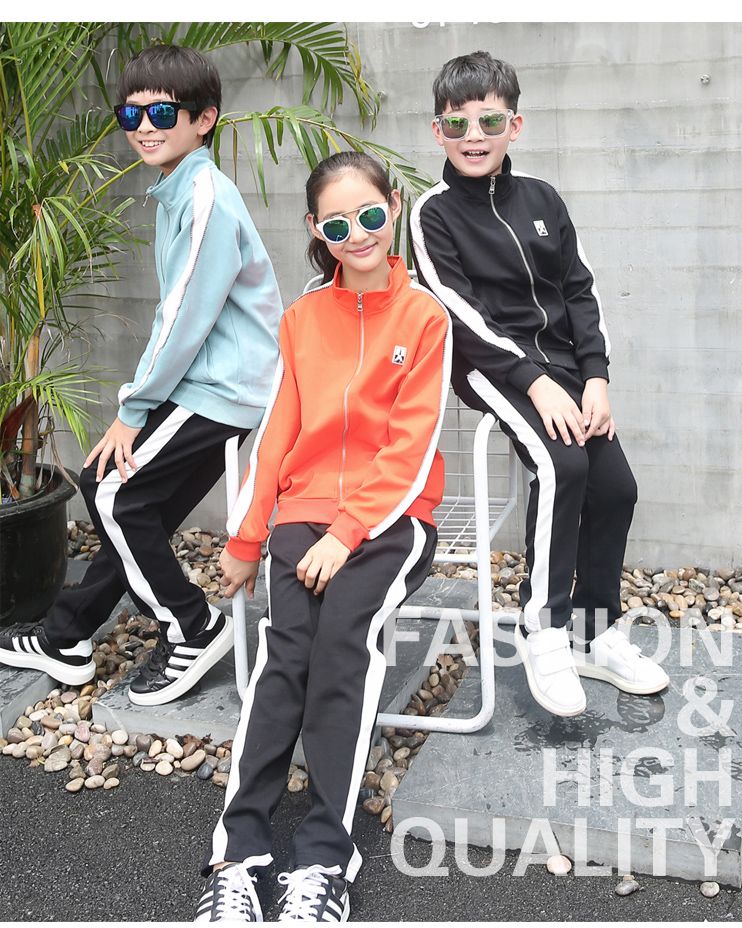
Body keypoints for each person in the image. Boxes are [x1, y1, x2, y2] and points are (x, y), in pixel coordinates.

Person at [194, 151, 451, 923]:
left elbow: (408, 449)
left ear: (394, 207)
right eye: (337, 224)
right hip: (303, 515)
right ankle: (238, 854)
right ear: (316, 229)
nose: (357, 234)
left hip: (392, 521)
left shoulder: (425, 318)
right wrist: (247, 538)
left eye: (370, 215)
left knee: (343, 642)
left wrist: (346, 533)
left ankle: (324, 860)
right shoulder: (302, 320)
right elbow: (278, 433)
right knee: (286, 655)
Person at [0, 45, 282, 707]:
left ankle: (192, 625)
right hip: (206, 383)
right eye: (131, 114)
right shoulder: (178, 187)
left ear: (205, 118)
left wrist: (134, 407)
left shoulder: (205, 197)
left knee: (109, 491)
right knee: (132, 505)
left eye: (162, 112)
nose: (144, 127)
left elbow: (183, 315)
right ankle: (68, 635)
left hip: (221, 389)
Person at [410, 51, 669, 718]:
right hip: (491, 368)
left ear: (514, 126)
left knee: (616, 487)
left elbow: (579, 291)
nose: (474, 136)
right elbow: (457, 311)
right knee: (561, 467)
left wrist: (595, 378)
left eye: (489, 121)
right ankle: (543, 629)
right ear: (438, 131)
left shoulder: (543, 198)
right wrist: (532, 380)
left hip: (567, 369)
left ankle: (592, 632)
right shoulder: (432, 213)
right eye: (457, 123)